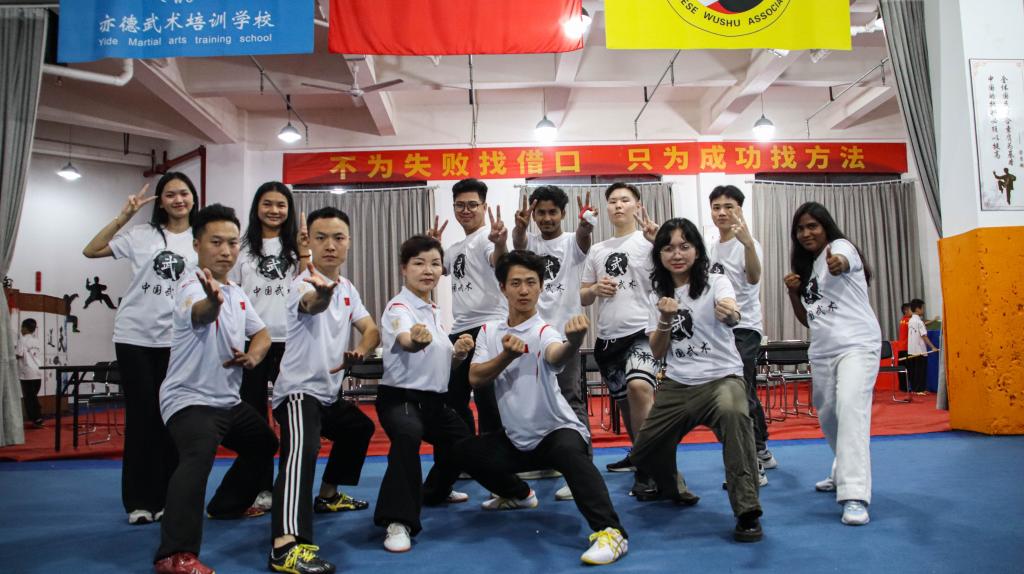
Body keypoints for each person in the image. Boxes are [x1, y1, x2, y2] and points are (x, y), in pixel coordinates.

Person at [455, 250, 628, 566]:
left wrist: (573, 342)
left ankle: (611, 532)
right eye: (516, 283)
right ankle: (520, 495)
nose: (524, 290)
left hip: (556, 432)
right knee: (465, 452)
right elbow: (475, 378)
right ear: (503, 288)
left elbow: (555, 355)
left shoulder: (544, 330)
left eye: (531, 282)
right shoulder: (489, 332)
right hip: (516, 439)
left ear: (540, 287)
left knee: (570, 453)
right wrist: (506, 356)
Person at [153, 204, 279, 574]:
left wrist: (254, 356)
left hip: (227, 401)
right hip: (189, 399)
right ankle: (174, 554)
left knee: (264, 443)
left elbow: (263, 333)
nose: (226, 251)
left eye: (232, 243)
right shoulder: (190, 286)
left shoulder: (236, 292)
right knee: (197, 458)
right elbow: (200, 313)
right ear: (197, 245)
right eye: (216, 242)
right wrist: (211, 302)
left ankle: (227, 505)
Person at [628, 218, 763, 542]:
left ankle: (747, 510)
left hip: (722, 379)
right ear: (659, 255)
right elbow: (657, 351)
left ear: (697, 251)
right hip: (678, 383)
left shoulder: (716, 282)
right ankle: (672, 486)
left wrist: (730, 314)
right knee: (643, 451)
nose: (677, 254)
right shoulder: (657, 295)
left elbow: (732, 312)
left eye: (684, 246)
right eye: (668, 248)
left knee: (734, 416)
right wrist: (665, 317)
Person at [83, 172, 199, 525]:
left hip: (179, 340)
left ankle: (167, 498)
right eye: (170, 194)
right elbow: (91, 250)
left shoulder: (200, 238)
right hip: (135, 337)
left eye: (184, 193)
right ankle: (138, 501)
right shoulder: (140, 235)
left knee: (172, 419)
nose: (178, 200)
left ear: (193, 198)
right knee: (141, 419)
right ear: (160, 201)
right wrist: (124, 216)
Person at [269, 207, 379, 574]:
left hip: (327, 394)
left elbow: (371, 329)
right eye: (321, 238)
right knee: (302, 451)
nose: (330, 245)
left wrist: (360, 350)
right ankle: (285, 545)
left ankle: (328, 495)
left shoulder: (348, 288)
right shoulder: (303, 284)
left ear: (348, 243)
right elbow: (311, 304)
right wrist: (322, 296)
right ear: (309, 243)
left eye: (337, 237)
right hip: (298, 393)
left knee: (359, 428)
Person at [373, 235, 476, 553]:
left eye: (434, 263)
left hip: (433, 401)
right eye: (419, 263)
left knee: (462, 440)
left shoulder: (432, 310)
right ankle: (397, 521)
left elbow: (439, 362)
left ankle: (434, 491)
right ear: (404, 268)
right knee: (407, 436)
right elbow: (406, 339)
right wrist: (415, 341)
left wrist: (458, 355)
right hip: (401, 398)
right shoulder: (400, 307)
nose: (428, 270)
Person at [783, 202, 880, 526]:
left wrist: (839, 263)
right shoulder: (808, 267)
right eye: (800, 229)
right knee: (830, 418)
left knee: (851, 409)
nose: (806, 233)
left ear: (825, 227)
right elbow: (809, 320)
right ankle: (842, 469)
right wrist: (794, 293)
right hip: (823, 351)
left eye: (812, 226)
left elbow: (844, 260)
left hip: (856, 345)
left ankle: (854, 495)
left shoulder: (839, 248)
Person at [512, 185, 596, 500]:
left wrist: (586, 225)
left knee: (571, 399)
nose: (546, 218)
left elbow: (584, 239)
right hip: (532, 336)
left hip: (564, 336)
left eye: (552, 212)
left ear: (562, 214)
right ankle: (547, 462)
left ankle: (582, 471)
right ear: (533, 215)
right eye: (541, 213)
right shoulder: (530, 242)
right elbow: (518, 244)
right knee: (536, 403)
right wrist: (520, 229)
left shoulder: (572, 241)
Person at [579, 182, 660, 496]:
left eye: (625, 200)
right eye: (612, 201)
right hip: (608, 337)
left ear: (637, 206)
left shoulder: (650, 241)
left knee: (640, 389)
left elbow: (674, 275)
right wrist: (595, 289)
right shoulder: (598, 249)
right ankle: (639, 452)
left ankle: (650, 468)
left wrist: (659, 243)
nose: (618, 206)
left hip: (643, 331)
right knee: (626, 404)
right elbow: (583, 295)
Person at [234, 181, 307, 511]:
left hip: (291, 340)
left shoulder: (296, 246)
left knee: (291, 417)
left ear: (289, 210)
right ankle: (260, 487)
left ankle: (289, 485)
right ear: (257, 208)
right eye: (268, 204)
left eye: (281, 205)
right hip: (253, 340)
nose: (274, 210)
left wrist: (304, 251)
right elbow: (232, 294)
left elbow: (309, 286)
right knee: (254, 418)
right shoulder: (242, 248)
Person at [427, 178, 507, 435]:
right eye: (460, 205)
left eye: (472, 204)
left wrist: (500, 243)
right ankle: (467, 450)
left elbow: (499, 262)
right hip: (460, 330)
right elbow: (434, 273)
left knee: (488, 399)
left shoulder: (486, 239)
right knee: (452, 397)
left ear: (484, 207)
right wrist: (432, 249)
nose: (466, 210)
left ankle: (493, 451)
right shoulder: (453, 249)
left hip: (489, 327)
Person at [706, 185, 774, 484]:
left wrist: (747, 245)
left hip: (745, 327)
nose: (722, 212)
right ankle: (761, 448)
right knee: (742, 389)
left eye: (729, 206)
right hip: (720, 329)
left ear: (740, 210)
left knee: (737, 390)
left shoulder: (749, 243)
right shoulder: (711, 247)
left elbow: (754, 278)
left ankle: (752, 461)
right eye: (716, 207)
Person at [906, 298, 940, 395]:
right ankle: (919, 390)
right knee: (920, 371)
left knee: (915, 371)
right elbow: (924, 336)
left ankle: (917, 389)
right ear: (918, 309)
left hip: (912, 350)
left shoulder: (911, 320)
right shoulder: (919, 322)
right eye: (922, 308)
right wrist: (933, 347)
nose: (923, 310)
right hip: (920, 350)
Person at [15, 318, 44, 428]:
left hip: (27, 374)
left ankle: (37, 419)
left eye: (22, 327)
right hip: (37, 372)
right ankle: (38, 418)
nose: (21, 329)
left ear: (25, 328)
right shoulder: (36, 340)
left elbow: (19, 354)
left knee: (29, 398)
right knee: (33, 397)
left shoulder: (22, 340)